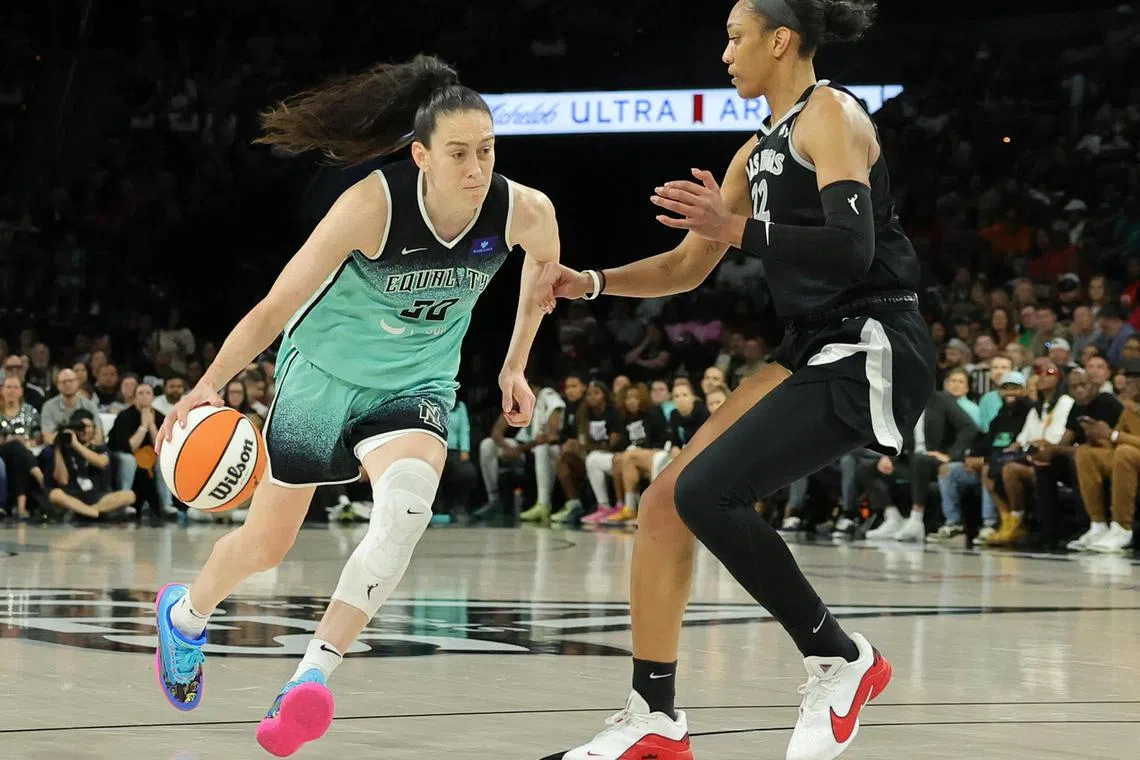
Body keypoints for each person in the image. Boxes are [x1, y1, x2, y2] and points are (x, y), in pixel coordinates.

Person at [535, 3, 933, 758]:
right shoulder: (754, 152)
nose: (724, 53)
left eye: (735, 37)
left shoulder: (833, 117)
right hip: (812, 342)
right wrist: (587, 281)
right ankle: (654, 720)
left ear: (780, 41)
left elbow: (852, 249)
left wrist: (735, 229)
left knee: (705, 492)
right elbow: (689, 265)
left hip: (874, 339)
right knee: (663, 501)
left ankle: (841, 659)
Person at [152, 55, 559, 758]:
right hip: (323, 378)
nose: (476, 167)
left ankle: (310, 677)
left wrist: (515, 363)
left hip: (419, 383)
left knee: (406, 509)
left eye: (487, 150)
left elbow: (543, 270)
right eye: (459, 153)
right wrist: (208, 385)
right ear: (421, 153)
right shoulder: (372, 205)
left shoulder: (525, 209)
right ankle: (186, 615)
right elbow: (278, 304)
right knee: (266, 545)